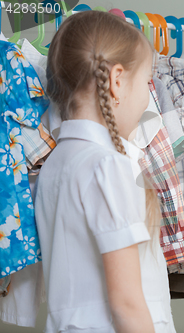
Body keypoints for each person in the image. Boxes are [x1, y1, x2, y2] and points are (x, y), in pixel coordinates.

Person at [35, 11, 175, 332]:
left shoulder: (54, 164)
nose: (146, 99)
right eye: (146, 83)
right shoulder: (107, 166)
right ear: (116, 80)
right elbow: (125, 302)